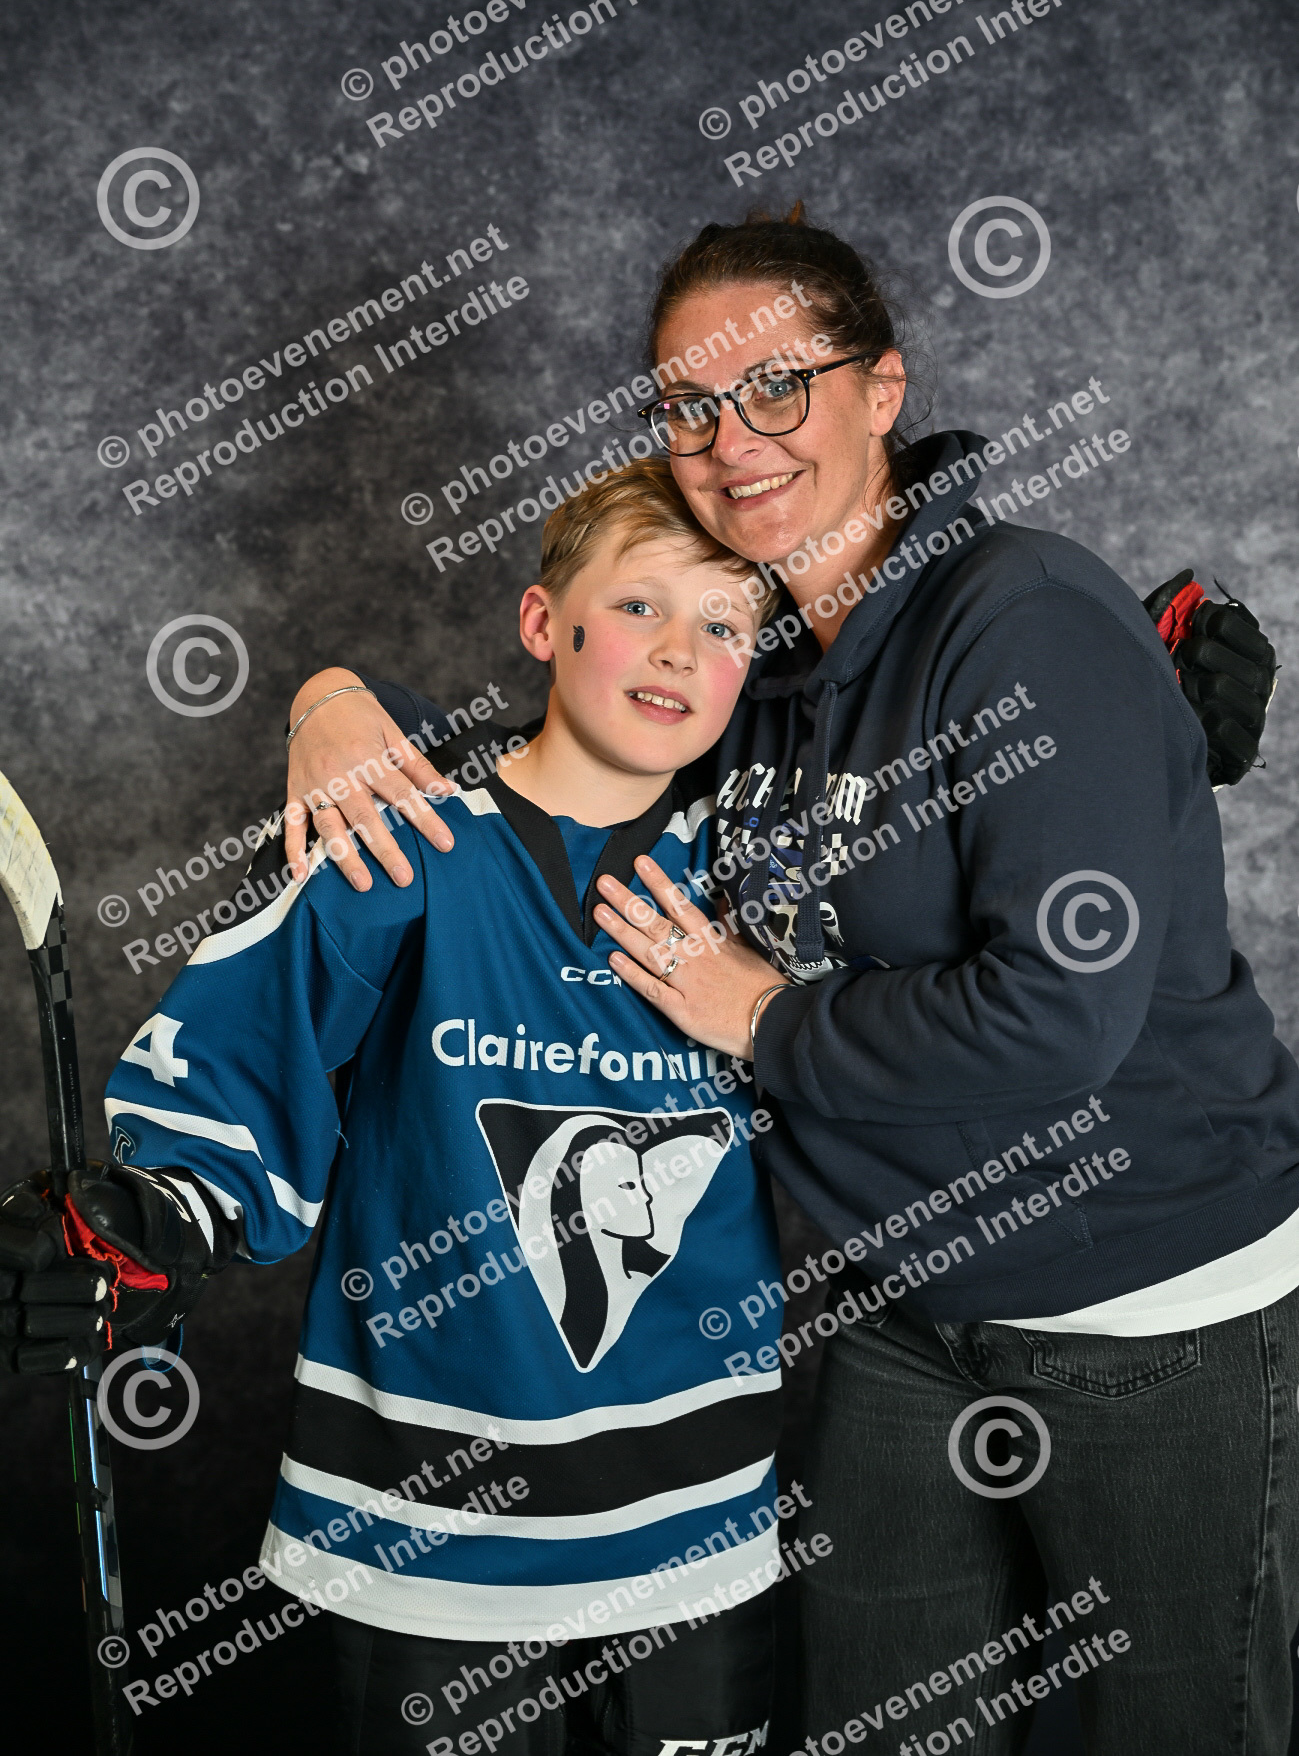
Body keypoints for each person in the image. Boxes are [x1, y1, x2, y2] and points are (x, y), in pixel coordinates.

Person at [281, 207, 1293, 1752]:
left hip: (1150, 1300)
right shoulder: (757, 668)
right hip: (905, 1301)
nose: (732, 439)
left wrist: (761, 1012)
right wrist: (338, 698)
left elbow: (1060, 1013)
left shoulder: (1017, 611)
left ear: (882, 389)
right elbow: (567, 770)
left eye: (777, 386)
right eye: (688, 403)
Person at [0, 462, 792, 1756]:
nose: (678, 649)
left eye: (723, 623)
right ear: (543, 622)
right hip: (432, 1530)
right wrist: (145, 1222)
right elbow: (248, 1067)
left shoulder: (767, 871)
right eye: (638, 603)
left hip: (698, 1520)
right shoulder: (401, 845)